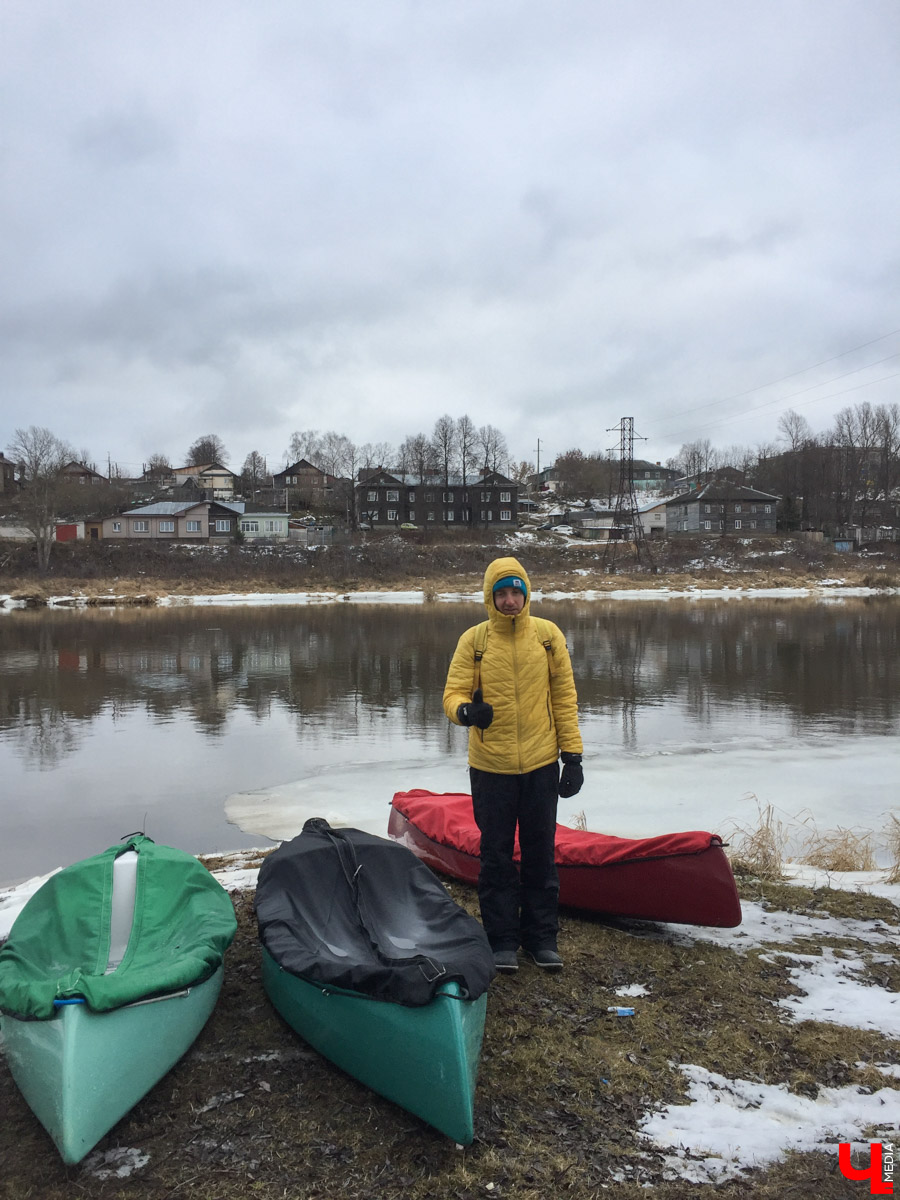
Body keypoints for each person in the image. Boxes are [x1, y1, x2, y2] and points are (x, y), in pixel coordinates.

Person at [443, 556, 584, 974]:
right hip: (491, 767)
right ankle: (502, 940)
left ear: (526, 593)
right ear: (490, 597)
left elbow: (565, 700)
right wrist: (467, 713)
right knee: (496, 855)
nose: (509, 601)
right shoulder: (475, 641)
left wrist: (572, 756)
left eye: (515, 592)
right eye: (501, 593)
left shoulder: (547, 636)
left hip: (541, 764)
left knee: (541, 853)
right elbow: (451, 695)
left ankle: (542, 939)